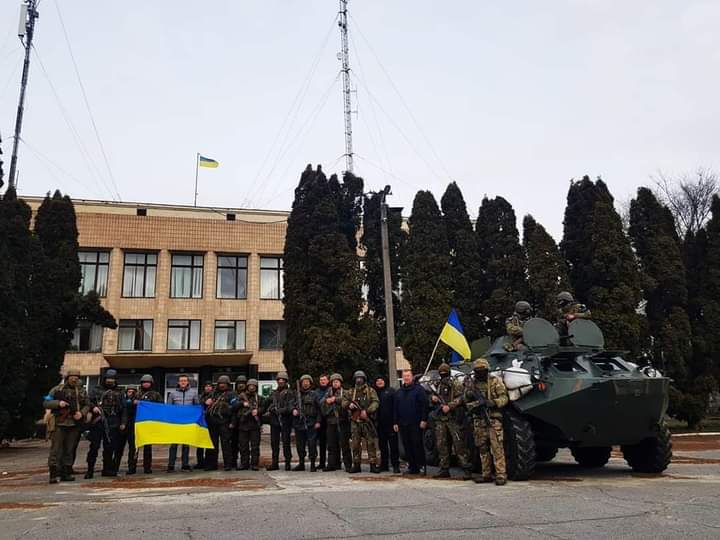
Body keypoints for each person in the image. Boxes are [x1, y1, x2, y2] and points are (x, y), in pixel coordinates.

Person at [462, 358, 509, 485]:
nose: (480, 373)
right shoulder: (472, 384)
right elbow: (465, 401)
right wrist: (471, 397)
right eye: (478, 371)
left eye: (482, 370)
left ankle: (500, 474)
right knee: (482, 448)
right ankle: (486, 474)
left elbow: (504, 398)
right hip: (478, 420)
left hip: (493, 419)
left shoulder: (494, 382)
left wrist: (493, 402)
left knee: (497, 447)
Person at [44, 369, 90, 483]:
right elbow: (46, 402)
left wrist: (82, 413)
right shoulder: (57, 389)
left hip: (74, 424)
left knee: (69, 450)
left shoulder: (81, 391)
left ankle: (66, 473)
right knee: (56, 449)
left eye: (76, 377)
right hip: (59, 423)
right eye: (72, 377)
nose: (74, 379)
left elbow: (87, 404)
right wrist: (58, 403)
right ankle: (53, 474)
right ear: (67, 378)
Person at [430, 363, 472, 480]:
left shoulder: (456, 384)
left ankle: (466, 469)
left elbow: (462, 398)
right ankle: (444, 469)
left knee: (459, 445)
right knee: (441, 444)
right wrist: (433, 399)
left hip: (454, 418)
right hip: (441, 419)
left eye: (445, 373)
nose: (443, 376)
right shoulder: (437, 385)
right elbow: (432, 396)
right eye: (441, 374)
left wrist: (450, 405)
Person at [85, 369, 127, 478]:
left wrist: (123, 422)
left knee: (110, 448)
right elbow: (88, 401)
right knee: (94, 447)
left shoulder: (120, 392)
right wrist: (93, 407)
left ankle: (107, 469)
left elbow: (123, 409)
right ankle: (90, 470)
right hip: (99, 421)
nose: (110, 381)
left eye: (112, 379)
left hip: (113, 422)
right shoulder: (96, 390)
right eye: (108, 379)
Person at [342, 370, 380, 474]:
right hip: (355, 421)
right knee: (355, 444)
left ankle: (373, 464)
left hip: (366, 420)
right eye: (357, 378)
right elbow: (343, 401)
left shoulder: (370, 391)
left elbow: (376, 402)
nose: (359, 380)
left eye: (361, 378)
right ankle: (356, 465)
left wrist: (367, 411)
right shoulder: (351, 391)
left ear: (364, 379)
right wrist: (348, 405)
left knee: (371, 443)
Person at [393, 370, 428, 476]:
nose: (406, 378)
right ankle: (412, 467)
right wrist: (395, 422)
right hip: (403, 424)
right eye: (405, 376)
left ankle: (421, 466)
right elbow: (395, 408)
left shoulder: (419, 390)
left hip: (416, 423)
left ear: (412, 377)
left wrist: (424, 419)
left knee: (417, 445)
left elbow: (424, 406)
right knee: (407, 446)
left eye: (408, 376)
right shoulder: (399, 392)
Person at [204, 375, 239, 471]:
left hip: (225, 423)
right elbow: (204, 403)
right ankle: (211, 464)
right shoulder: (213, 394)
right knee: (212, 444)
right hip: (212, 423)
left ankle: (228, 464)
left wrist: (232, 422)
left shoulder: (232, 394)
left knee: (226, 444)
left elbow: (236, 408)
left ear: (228, 384)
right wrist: (206, 402)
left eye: (224, 383)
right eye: (220, 383)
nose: (222, 385)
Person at [130, 374, 163, 474]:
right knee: (134, 447)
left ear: (151, 383)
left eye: (148, 382)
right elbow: (127, 404)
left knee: (147, 448)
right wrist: (133, 402)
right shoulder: (136, 394)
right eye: (144, 382)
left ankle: (147, 467)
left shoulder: (156, 394)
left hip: (149, 424)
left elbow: (161, 407)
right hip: (137, 423)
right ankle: (132, 467)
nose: (146, 384)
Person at [166, 374, 200, 472]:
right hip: (176, 422)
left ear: (188, 382)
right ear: (178, 382)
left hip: (187, 422)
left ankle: (185, 464)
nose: (183, 382)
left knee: (186, 444)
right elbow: (169, 408)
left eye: (185, 380)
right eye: (181, 381)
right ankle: (171, 465)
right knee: (173, 444)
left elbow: (197, 407)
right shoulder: (172, 394)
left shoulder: (193, 393)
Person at [320, 373, 352, 472]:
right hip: (331, 421)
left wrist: (335, 399)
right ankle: (332, 464)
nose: (335, 383)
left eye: (337, 382)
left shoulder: (345, 392)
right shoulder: (328, 393)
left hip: (343, 421)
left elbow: (348, 401)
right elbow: (322, 403)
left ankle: (348, 464)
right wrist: (327, 401)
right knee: (331, 444)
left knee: (344, 444)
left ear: (340, 383)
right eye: (333, 382)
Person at [263, 372, 294, 471]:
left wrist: (279, 411)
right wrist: (271, 409)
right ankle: (274, 462)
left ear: (285, 381)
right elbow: (265, 405)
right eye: (279, 380)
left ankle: (288, 463)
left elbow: (290, 407)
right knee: (274, 443)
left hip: (285, 421)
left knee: (286, 442)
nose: (280, 382)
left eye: (282, 380)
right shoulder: (273, 393)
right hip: (274, 422)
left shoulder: (290, 393)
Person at [293, 374, 321, 471]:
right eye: (304, 382)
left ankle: (313, 464)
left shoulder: (314, 395)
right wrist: (293, 410)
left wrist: (318, 421)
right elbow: (290, 405)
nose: (305, 383)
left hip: (311, 422)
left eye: (307, 382)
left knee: (312, 444)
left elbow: (319, 409)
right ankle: (301, 463)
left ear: (310, 383)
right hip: (299, 423)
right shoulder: (296, 394)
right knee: (300, 444)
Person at [236, 378, 263, 471]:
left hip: (254, 425)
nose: (252, 388)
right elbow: (234, 407)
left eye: (254, 386)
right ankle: (244, 463)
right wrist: (243, 404)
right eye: (250, 386)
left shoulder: (259, 398)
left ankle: (254, 464)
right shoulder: (241, 397)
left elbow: (264, 408)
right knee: (243, 446)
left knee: (255, 446)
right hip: (243, 425)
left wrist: (258, 411)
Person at [374, 376, 400, 473]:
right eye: (377, 380)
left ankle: (396, 465)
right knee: (382, 446)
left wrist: (395, 422)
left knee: (393, 446)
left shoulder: (391, 391)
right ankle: (384, 465)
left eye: (381, 380)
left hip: (391, 424)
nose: (379, 382)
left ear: (385, 381)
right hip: (380, 424)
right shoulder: (374, 392)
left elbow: (396, 407)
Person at [117, 386, 137, 474]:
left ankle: (132, 467)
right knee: (119, 448)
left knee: (132, 448)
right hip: (123, 426)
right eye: (129, 391)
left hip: (133, 427)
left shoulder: (138, 401)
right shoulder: (122, 400)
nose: (131, 393)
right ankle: (115, 466)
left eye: (133, 392)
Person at [230, 375, 248, 468]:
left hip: (245, 422)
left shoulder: (248, 394)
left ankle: (245, 462)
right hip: (235, 422)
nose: (241, 385)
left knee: (244, 444)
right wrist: (241, 404)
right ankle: (233, 461)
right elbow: (232, 407)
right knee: (233, 444)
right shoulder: (233, 394)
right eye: (239, 383)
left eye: (243, 383)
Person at [195, 381, 214, 470]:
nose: (208, 388)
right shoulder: (199, 396)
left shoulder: (215, 396)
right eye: (206, 386)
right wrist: (204, 403)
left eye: (209, 386)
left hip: (211, 423)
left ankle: (208, 463)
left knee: (208, 443)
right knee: (199, 444)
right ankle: (200, 462)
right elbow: (196, 406)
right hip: (200, 423)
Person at [315, 373, 330, 470]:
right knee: (322, 443)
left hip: (330, 419)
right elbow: (316, 407)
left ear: (328, 381)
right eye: (321, 380)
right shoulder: (316, 392)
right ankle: (322, 462)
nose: (322, 381)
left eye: (324, 380)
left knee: (333, 443)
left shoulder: (331, 391)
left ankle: (334, 462)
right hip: (320, 420)